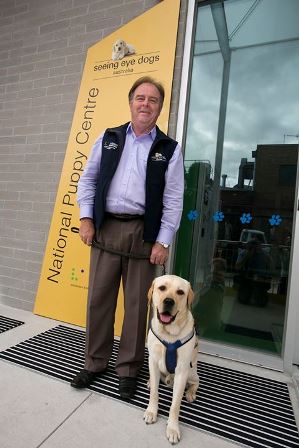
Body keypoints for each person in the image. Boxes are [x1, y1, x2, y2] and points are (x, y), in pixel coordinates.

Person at [70, 76, 184, 399]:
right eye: (140, 98)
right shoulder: (109, 138)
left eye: (153, 100)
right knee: (98, 301)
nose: (146, 104)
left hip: (143, 234)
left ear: (160, 107)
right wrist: (86, 218)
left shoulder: (169, 150)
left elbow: (174, 200)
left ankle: (129, 370)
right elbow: (88, 180)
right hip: (105, 228)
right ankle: (94, 363)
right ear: (131, 102)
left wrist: (162, 241)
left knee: (137, 307)